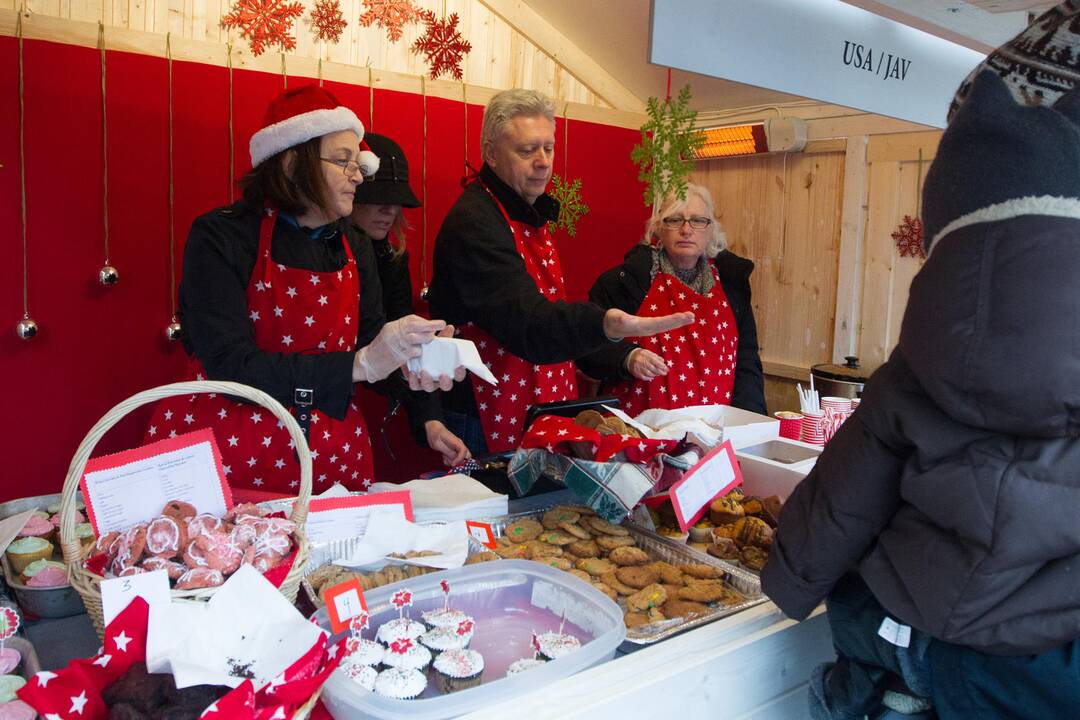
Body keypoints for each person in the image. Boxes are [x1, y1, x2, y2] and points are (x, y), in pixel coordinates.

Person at [761, 20, 1080, 720]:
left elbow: (846, 488)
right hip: (1035, 662)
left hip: (897, 629)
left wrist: (788, 583)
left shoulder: (918, 358)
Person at [145, 85, 467, 493]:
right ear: (292, 165)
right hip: (229, 453)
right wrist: (361, 363)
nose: (358, 175)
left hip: (330, 458)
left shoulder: (356, 246)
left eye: (358, 162)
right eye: (343, 160)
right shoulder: (221, 236)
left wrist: (415, 370)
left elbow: (369, 340)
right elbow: (230, 363)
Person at [426, 88, 694, 456]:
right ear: (490, 153)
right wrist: (605, 324)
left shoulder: (527, 209)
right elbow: (527, 322)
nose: (542, 161)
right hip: (485, 415)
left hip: (535, 404)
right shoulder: (475, 221)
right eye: (526, 150)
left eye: (548, 149)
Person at [580, 183, 765, 416]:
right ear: (658, 229)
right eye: (675, 220)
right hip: (638, 436)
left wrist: (749, 428)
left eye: (698, 221)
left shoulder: (732, 284)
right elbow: (587, 350)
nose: (686, 230)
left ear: (710, 231)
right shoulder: (623, 282)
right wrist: (627, 358)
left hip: (712, 436)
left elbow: (747, 364)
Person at [349, 132, 420, 321]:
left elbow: (401, 323)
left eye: (397, 200)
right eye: (379, 198)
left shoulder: (393, 258)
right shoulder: (331, 257)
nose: (390, 210)